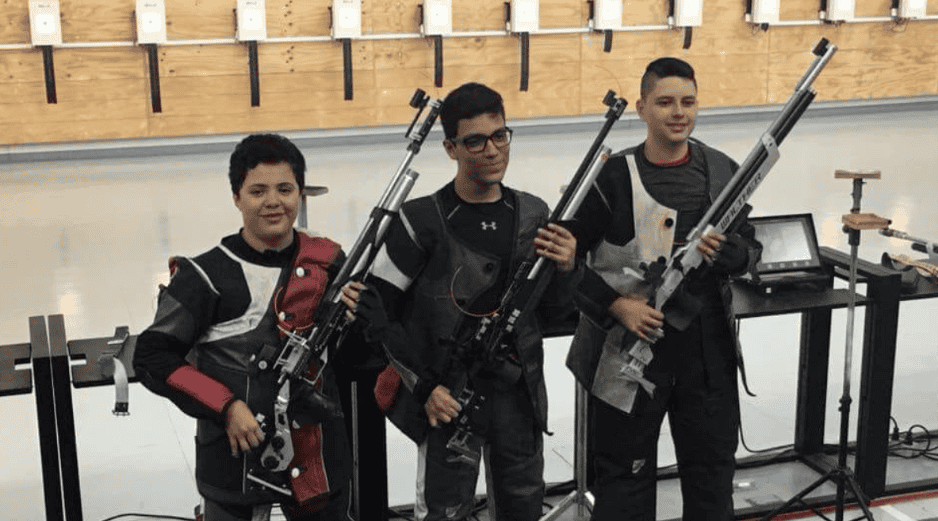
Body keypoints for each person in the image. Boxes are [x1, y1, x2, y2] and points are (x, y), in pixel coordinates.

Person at [133, 133, 381, 521]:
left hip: (318, 462)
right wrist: (226, 406)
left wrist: (367, 320)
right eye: (257, 191)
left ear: (300, 192)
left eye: (285, 189)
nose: (273, 202)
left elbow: (350, 361)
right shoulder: (205, 275)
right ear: (236, 197)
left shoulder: (329, 261)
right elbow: (151, 355)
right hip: (234, 469)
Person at [365, 82, 579, 521]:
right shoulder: (419, 220)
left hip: (517, 396)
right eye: (475, 140)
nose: (492, 150)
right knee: (444, 512)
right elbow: (375, 311)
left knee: (523, 504)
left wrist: (568, 266)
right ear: (450, 147)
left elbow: (555, 311)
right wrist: (424, 388)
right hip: (447, 395)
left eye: (500, 135)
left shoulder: (534, 215)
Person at [566, 58, 762, 520]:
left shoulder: (722, 169)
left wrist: (732, 254)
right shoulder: (611, 177)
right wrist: (616, 305)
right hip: (628, 350)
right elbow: (565, 262)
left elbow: (751, 248)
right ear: (641, 108)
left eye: (688, 102)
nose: (679, 112)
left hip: (707, 350)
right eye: (665, 102)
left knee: (712, 478)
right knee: (624, 484)